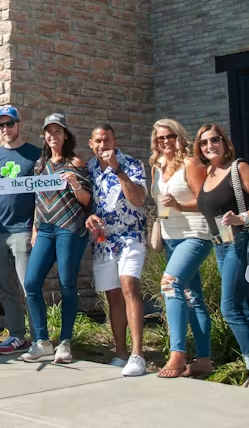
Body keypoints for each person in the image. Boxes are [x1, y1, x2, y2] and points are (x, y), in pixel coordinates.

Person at [194, 124, 249, 390]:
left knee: (229, 308)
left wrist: (243, 217)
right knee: (247, 306)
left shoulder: (238, 168)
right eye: (204, 143)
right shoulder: (208, 173)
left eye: (214, 140)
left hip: (238, 243)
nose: (209, 146)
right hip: (220, 246)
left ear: (224, 142)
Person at [22, 114, 92, 364]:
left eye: (58, 131)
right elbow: (38, 200)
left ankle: (65, 342)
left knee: (67, 285)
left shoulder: (75, 162)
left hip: (69, 228)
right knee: (31, 283)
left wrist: (75, 184)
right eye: (49, 132)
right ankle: (42, 341)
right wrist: (34, 230)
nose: (53, 136)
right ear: (44, 136)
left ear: (65, 135)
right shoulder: (39, 165)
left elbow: (86, 200)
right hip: (44, 229)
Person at [150, 119, 213, 379]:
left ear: (179, 137)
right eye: (160, 137)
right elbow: (160, 202)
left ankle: (177, 354)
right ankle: (204, 360)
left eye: (170, 136)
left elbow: (207, 201)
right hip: (171, 237)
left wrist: (179, 206)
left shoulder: (190, 163)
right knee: (192, 297)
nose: (165, 141)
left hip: (195, 235)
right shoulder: (157, 166)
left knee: (169, 284)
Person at [85, 123, 149, 377]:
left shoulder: (131, 164)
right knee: (113, 296)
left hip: (131, 235)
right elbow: (86, 202)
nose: (103, 145)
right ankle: (121, 353)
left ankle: (138, 354)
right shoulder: (88, 168)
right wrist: (89, 217)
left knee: (129, 285)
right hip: (103, 241)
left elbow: (139, 199)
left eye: (107, 140)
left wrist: (118, 170)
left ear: (115, 142)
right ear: (91, 144)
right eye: (98, 141)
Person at [0, 105, 42, 356]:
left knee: (29, 286)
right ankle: (17, 335)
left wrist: (35, 227)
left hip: (23, 229)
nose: (5, 128)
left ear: (20, 125)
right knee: (6, 289)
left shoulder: (35, 154)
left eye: (10, 123)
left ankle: (39, 338)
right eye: (1, 125)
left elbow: (41, 195)